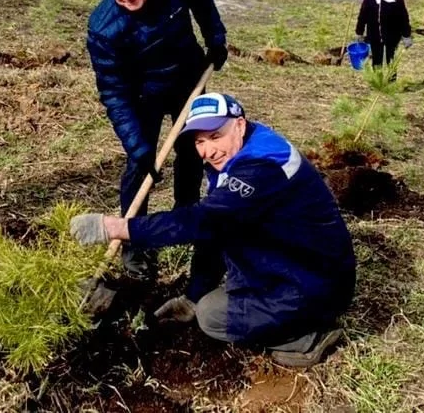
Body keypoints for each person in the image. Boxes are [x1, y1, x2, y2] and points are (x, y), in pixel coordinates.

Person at [70, 93, 356, 368]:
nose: (208, 150)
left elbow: (204, 221)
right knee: (207, 299)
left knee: (212, 317)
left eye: (215, 136)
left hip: (314, 282)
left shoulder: (259, 167)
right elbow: (217, 230)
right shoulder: (241, 151)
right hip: (290, 262)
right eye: (199, 141)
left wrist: (118, 227)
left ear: (240, 125)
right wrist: (193, 295)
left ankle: (306, 337)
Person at [87, 0, 228, 279]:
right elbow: (113, 92)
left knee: (193, 149)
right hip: (140, 95)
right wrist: (137, 146)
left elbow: (202, 0)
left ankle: (185, 213)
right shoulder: (104, 28)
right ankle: (134, 242)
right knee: (140, 165)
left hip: (187, 80)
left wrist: (216, 37)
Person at [355, 0, 412, 69]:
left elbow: (403, 18)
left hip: (392, 35)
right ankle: (378, 82)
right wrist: (359, 32)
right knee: (376, 61)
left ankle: (391, 82)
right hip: (374, 35)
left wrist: (406, 35)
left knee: (391, 61)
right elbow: (362, 16)